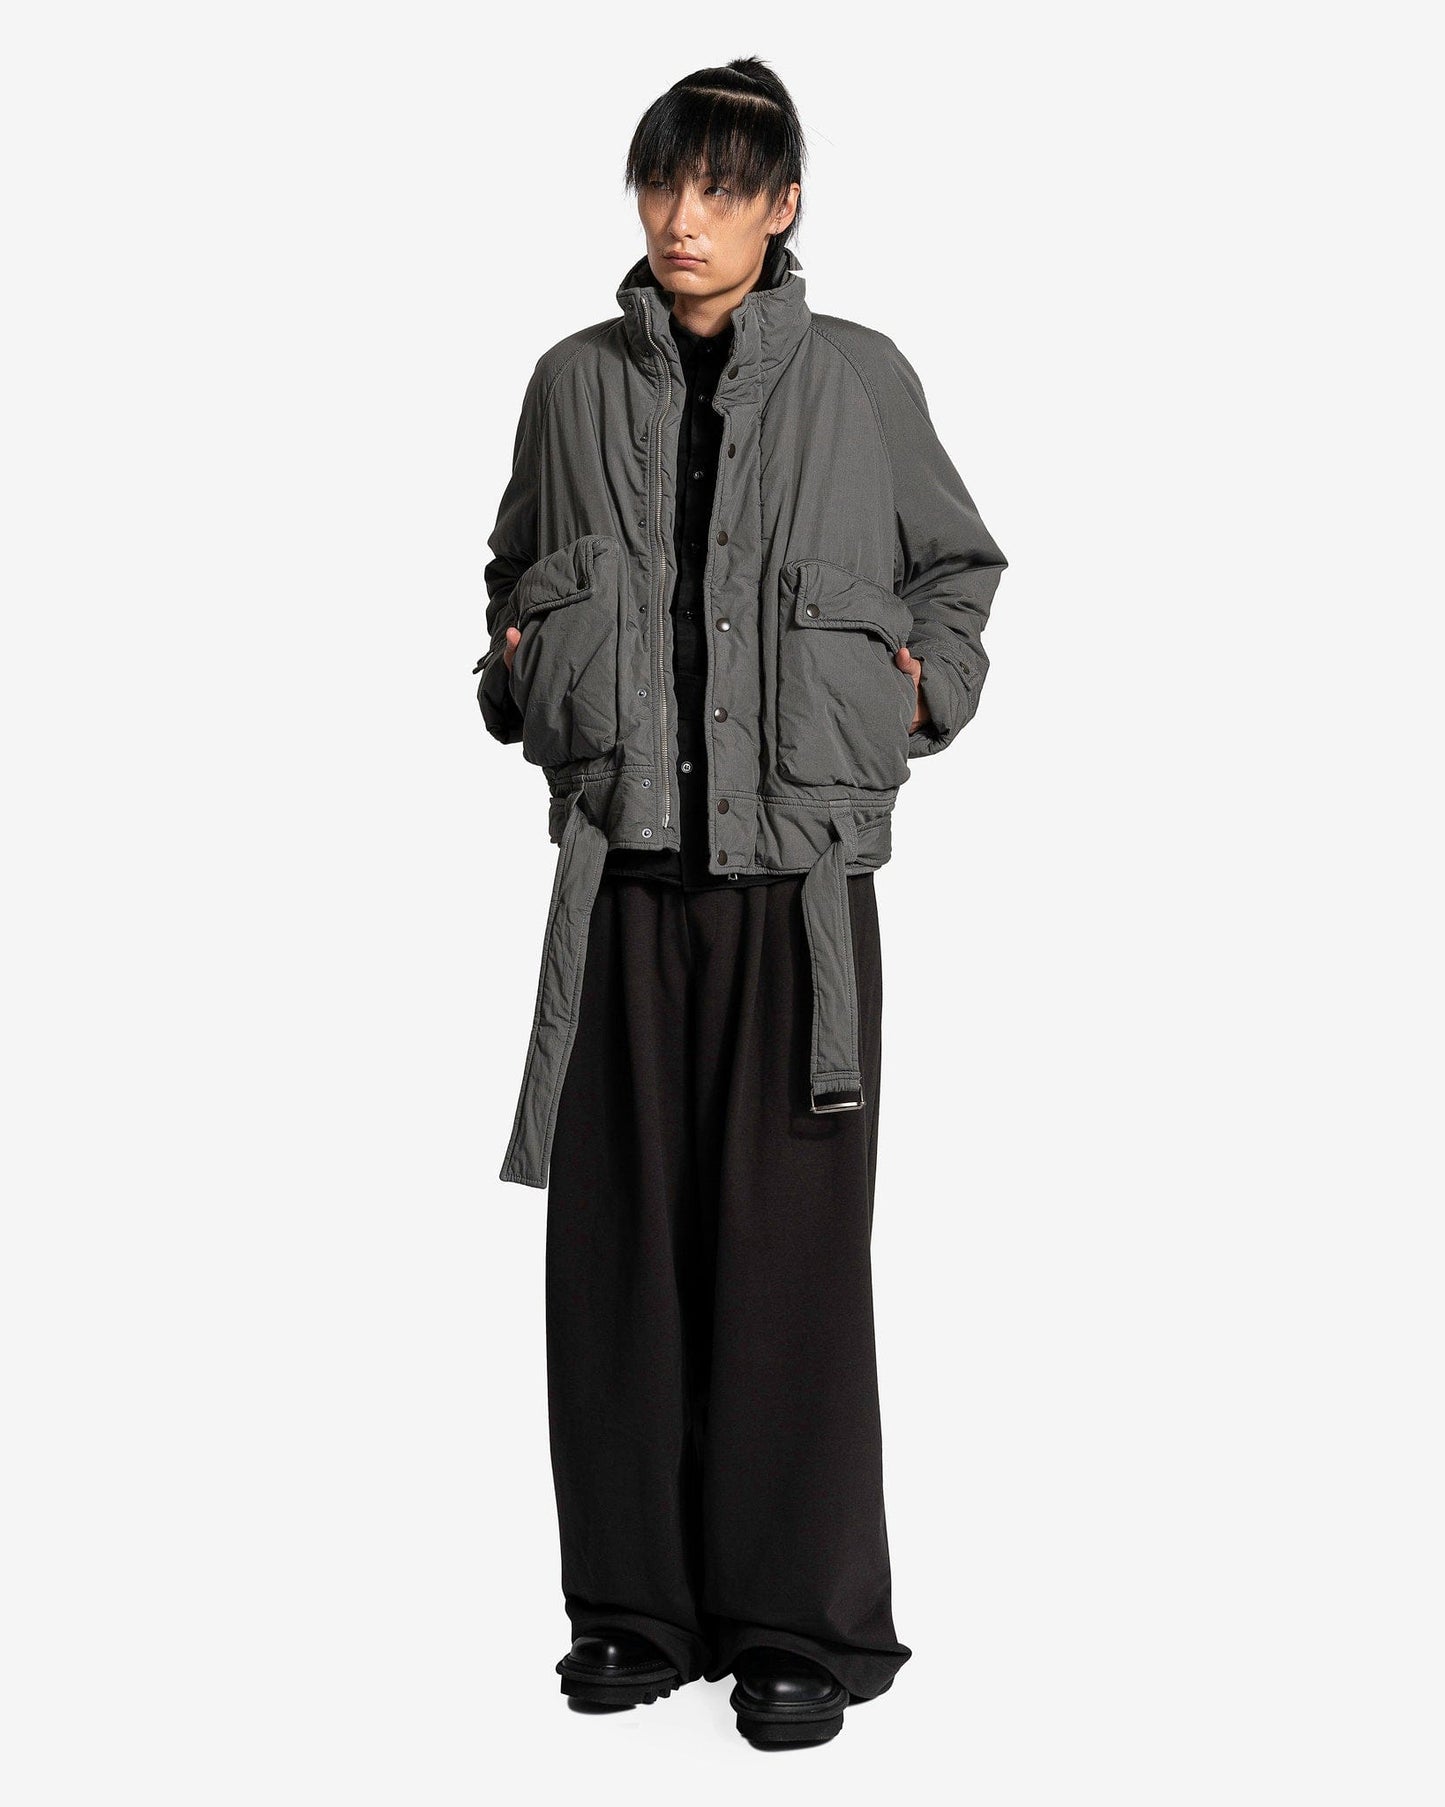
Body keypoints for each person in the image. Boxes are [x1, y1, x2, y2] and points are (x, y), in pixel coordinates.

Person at [475, 56, 1008, 1748]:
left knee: (786, 1261)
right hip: (620, 879)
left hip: (798, 894)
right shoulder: (569, 384)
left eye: (719, 188)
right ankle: (633, 1612)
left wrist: (921, 690)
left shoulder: (860, 378)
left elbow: (956, 567)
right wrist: (514, 674)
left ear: (782, 207)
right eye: (662, 184)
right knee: (615, 1257)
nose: (682, 218)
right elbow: (512, 570)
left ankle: (797, 1624)